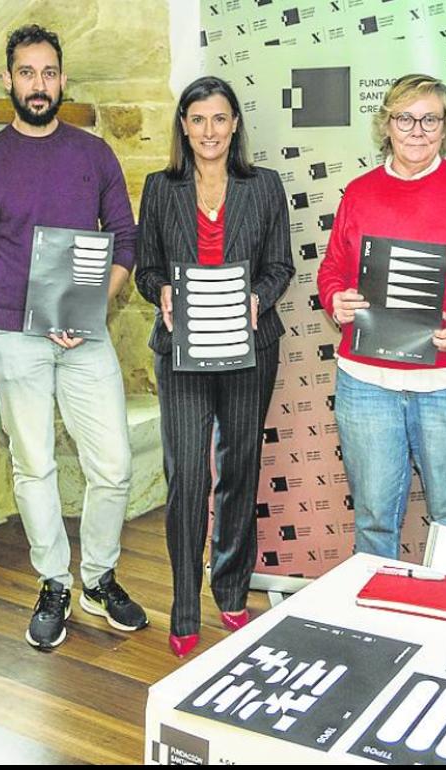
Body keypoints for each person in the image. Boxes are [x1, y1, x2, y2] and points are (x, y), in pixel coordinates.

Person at [0, 24, 148, 652]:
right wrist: (30, 311)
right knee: (33, 464)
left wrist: (88, 305)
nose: (38, 85)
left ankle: (98, 577)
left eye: (48, 73)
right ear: (8, 81)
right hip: (14, 339)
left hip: (86, 333)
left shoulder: (94, 154)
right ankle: (53, 582)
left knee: (113, 465)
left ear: (63, 80)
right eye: (26, 73)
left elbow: (125, 239)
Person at [315, 74, 446, 559]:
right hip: (367, 382)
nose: (417, 131)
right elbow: (332, 270)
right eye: (405, 118)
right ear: (387, 125)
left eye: (430, 120)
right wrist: (336, 298)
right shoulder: (359, 192)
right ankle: (377, 605)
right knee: (373, 517)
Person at [134, 76, 294, 657]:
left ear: (234, 125)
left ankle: (230, 590)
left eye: (219, 118)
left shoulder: (264, 185)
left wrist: (258, 298)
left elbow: (281, 265)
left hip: (249, 348)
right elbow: (146, 268)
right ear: (183, 125)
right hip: (182, 351)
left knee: (239, 470)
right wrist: (161, 292)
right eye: (198, 119)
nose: (209, 130)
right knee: (187, 479)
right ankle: (183, 605)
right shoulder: (159, 188)